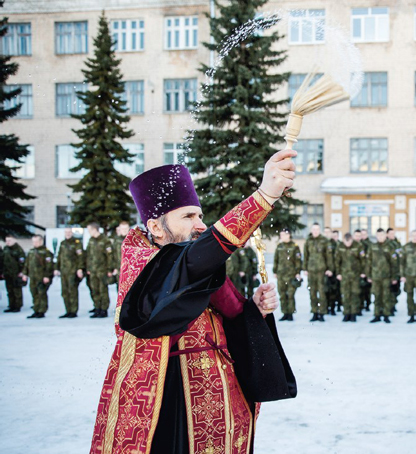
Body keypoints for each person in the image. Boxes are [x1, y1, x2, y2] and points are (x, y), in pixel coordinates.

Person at [89, 154, 296, 454]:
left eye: (200, 216)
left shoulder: (195, 266)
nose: (201, 225)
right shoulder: (143, 263)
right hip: (171, 410)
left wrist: (254, 309)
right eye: (188, 217)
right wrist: (263, 197)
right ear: (157, 228)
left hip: (223, 406)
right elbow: (193, 260)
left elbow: (231, 313)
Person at [366, 228, 399, 323]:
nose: (380, 237)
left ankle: (386, 315)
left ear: (385, 236)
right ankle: (376, 315)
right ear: (376, 236)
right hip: (375, 276)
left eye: (382, 235)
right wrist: (368, 275)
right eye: (378, 235)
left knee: (386, 296)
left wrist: (394, 277)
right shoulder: (373, 246)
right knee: (376, 296)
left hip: (386, 276)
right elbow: (368, 262)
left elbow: (394, 263)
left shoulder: (390, 246)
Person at [304, 223, 333, 322]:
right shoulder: (308, 241)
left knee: (322, 293)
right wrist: (305, 268)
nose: (315, 231)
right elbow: (306, 255)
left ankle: (322, 313)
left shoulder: (324, 241)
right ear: (311, 230)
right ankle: (314, 312)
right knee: (312, 292)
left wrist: (330, 269)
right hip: (311, 271)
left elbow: (329, 256)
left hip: (321, 271)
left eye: (317, 229)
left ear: (319, 230)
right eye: (314, 229)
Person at [55, 227, 85, 318]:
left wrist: (80, 268)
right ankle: (67, 310)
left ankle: (73, 311)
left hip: (72, 271)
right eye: (66, 232)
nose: (67, 234)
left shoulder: (76, 243)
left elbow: (80, 257)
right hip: (64, 271)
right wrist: (56, 268)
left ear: (72, 233)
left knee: (72, 291)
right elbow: (59, 257)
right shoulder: (62, 243)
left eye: (69, 232)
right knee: (64, 292)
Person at [21, 234, 54, 319]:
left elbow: (49, 265)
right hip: (33, 277)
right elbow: (27, 264)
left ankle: (42, 311)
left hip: (41, 277)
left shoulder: (46, 252)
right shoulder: (31, 252)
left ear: (41, 241)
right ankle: (36, 310)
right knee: (34, 293)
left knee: (41, 294)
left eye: (36, 241)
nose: (34, 243)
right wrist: (25, 274)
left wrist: (47, 276)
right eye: (33, 241)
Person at [336, 232, 366, 322]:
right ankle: (346, 313)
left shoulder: (358, 246)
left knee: (354, 294)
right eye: (346, 242)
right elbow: (337, 261)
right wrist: (338, 273)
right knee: (345, 294)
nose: (348, 244)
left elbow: (363, 260)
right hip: (344, 275)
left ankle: (353, 314)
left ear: (352, 240)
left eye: (349, 242)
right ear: (344, 240)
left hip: (355, 275)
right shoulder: (340, 246)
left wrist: (363, 272)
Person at [85, 222, 113, 318]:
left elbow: (109, 256)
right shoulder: (91, 240)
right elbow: (88, 255)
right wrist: (88, 268)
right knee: (94, 290)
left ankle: (104, 309)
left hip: (102, 270)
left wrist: (109, 269)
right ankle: (97, 308)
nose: (89, 232)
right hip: (93, 270)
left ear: (94, 229)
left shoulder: (105, 240)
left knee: (103, 290)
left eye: (89, 230)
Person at [273, 229, 302, 321]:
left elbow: (298, 261)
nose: (281, 236)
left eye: (283, 235)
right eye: (280, 235)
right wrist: (275, 271)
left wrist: (298, 272)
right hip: (281, 274)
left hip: (291, 274)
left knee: (290, 294)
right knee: (282, 294)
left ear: (288, 235)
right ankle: (284, 313)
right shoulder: (279, 246)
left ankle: (290, 313)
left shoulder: (294, 246)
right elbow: (276, 260)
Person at [2, 235, 25, 312]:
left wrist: (22, 272)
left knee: (17, 290)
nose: (8, 242)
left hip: (16, 273)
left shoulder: (19, 250)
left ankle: (17, 306)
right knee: (9, 290)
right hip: (7, 273)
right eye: (6, 241)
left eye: (9, 240)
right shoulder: (5, 249)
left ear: (15, 240)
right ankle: (11, 305)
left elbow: (22, 262)